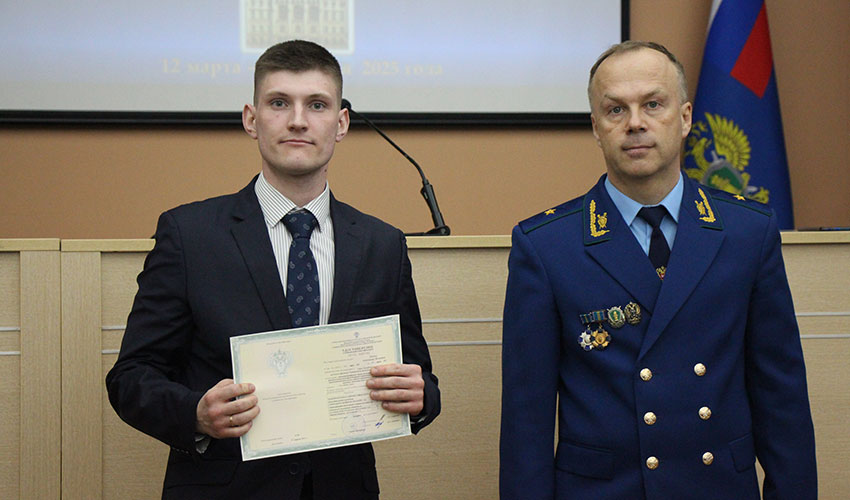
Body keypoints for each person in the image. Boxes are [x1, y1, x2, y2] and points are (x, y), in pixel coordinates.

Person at [106, 40, 440, 500]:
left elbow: (421, 377)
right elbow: (131, 377)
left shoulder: (382, 244)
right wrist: (195, 413)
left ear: (341, 123)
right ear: (251, 119)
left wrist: (420, 398)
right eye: (279, 103)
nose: (298, 120)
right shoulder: (189, 234)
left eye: (317, 105)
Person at [499, 41, 816, 500]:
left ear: (684, 117)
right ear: (596, 127)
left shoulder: (748, 232)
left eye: (652, 104)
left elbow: (782, 401)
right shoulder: (547, 246)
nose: (635, 123)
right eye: (615, 110)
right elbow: (526, 422)